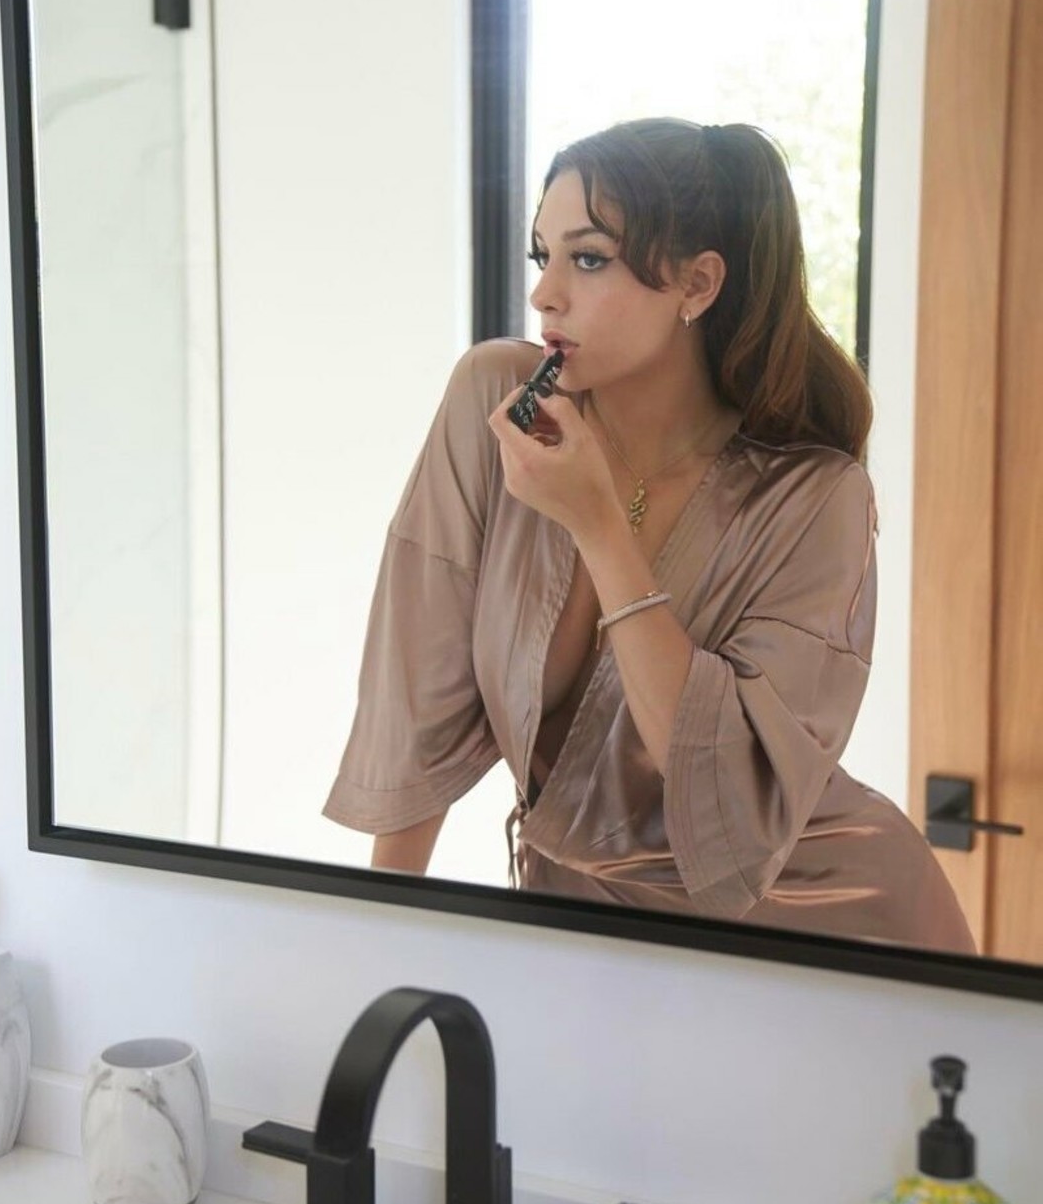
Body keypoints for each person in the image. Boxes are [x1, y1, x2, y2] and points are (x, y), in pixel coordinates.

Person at [323, 118, 975, 954]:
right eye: (543, 255)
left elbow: (729, 804)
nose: (545, 293)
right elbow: (420, 688)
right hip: (584, 928)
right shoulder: (499, 402)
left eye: (589, 258)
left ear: (697, 284)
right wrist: (378, 932)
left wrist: (599, 526)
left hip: (817, 924)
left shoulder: (817, 499)